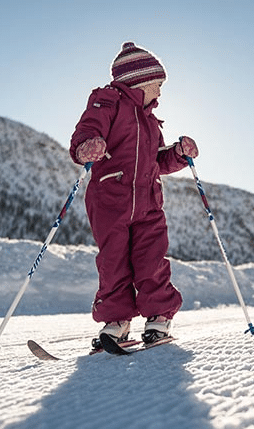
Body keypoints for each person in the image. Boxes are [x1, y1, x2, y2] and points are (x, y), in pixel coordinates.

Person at [69, 42, 199, 345]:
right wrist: (87, 144)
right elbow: (87, 129)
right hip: (110, 200)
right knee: (113, 261)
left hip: (149, 203)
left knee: (152, 260)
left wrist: (178, 154)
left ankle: (159, 317)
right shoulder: (107, 101)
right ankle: (116, 321)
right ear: (140, 81)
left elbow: (156, 161)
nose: (161, 93)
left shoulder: (151, 122)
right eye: (158, 84)